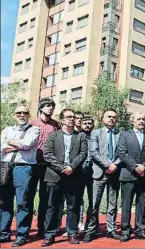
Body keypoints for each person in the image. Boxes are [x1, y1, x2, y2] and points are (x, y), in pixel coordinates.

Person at [41, 109, 87, 247]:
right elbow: (47, 154)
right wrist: (62, 167)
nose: (72, 119)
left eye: (73, 117)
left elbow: (83, 153)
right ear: (62, 120)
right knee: (52, 206)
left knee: (73, 206)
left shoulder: (81, 136)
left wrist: (72, 167)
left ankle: (72, 233)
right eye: (69, 117)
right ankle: (50, 234)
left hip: (74, 176)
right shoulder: (53, 135)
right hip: (54, 176)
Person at [0, 106, 40, 246]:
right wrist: (18, 145)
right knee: (4, 201)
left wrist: (9, 142)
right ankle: (4, 233)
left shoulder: (34, 129)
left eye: (24, 113)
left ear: (28, 115)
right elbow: (1, 147)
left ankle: (22, 234)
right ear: (14, 115)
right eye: (19, 113)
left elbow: (28, 144)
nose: (21, 115)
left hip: (23, 167)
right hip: (5, 166)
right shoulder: (7, 129)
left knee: (23, 202)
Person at [84, 110, 121, 242]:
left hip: (115, 173)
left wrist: (115, 165)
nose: (111, 119)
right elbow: (94, 152)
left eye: (114, 117)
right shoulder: (95, 133)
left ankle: (111, 230)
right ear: (103, 118)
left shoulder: (120, 134)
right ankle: (91, 230)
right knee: (94, 204)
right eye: (109, 116)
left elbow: (122, 152)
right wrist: (107, 165)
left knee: (113, 203)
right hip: (98, 173)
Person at [117, 112, 145, 242]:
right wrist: (135, 167)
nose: (142, 121)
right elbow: (121, 152)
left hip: (143, 175)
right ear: (132, 121)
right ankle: (125, 231)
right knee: (126, 203)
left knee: (141, 204)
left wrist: (144, 166)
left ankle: (140, 230)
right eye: (139, 119)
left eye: (143, 119)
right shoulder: (124, 135)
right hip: (128, 174)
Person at [29, 98, 61, 238]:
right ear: (41, 108)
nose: (50, 108)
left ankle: (43, 228)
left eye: (52, 106)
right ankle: (26, 230)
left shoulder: (56, 125)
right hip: (31, 164)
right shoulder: (32, 123)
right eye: (47, 106)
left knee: (46, 198)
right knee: (28, 197)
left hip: (48, 166)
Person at [77, 116, 94, 232]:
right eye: (85, 123)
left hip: (93, 172)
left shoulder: (95, 136)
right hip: (79, 172)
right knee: (78, 199)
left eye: (89, 123)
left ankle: (92, 224)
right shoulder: (77, 136)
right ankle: (79, 222)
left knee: (93, 200)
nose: (87, 125)